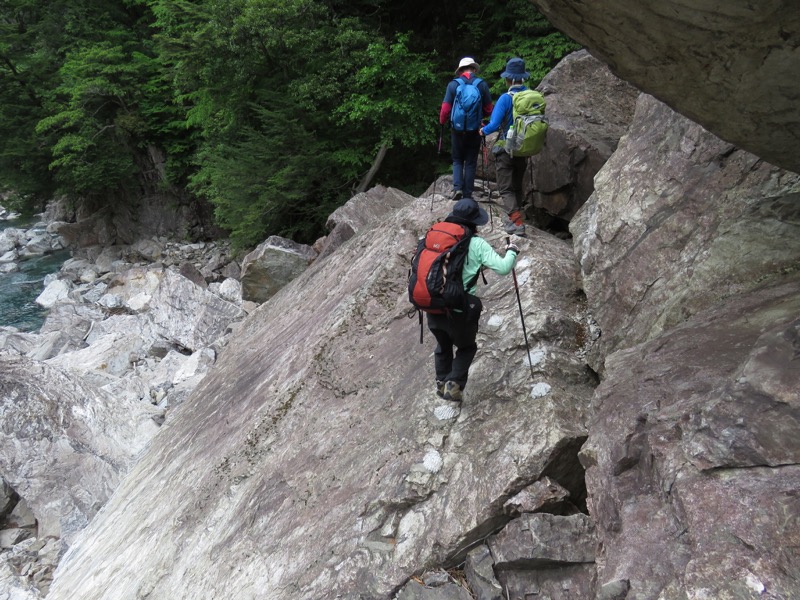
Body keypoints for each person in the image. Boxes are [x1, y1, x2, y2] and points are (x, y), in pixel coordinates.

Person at [427, 198, 519, 402]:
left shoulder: (435, 235)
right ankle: (454, 384)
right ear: (474, 222)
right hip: (459, 307)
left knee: (442, 345)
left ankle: (442, 382)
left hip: (432, 303)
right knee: (466, 347)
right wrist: (512, 251)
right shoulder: (476, 244)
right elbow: (503, 268)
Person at [480, 57, 531, 236]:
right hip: (524, 147)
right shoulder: (530, 97)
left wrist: (482, 131)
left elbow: (494, 125)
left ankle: (516, 223)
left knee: (505, 188)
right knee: (516, 186)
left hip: (506, 148)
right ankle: (516, 216)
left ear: (508, 79)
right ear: (523, 77)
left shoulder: (505, 98)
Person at [440, 57, 494, 201]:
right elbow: (489, 109)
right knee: (470, 162)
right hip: (474, 130)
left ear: (460, 71)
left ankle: (457, 189)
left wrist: (442, 122)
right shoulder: (481, 85)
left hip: (457, 130)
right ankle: (468, 194)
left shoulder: (453, 84)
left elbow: (445, 109)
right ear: (474, 69)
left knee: (457, 160)